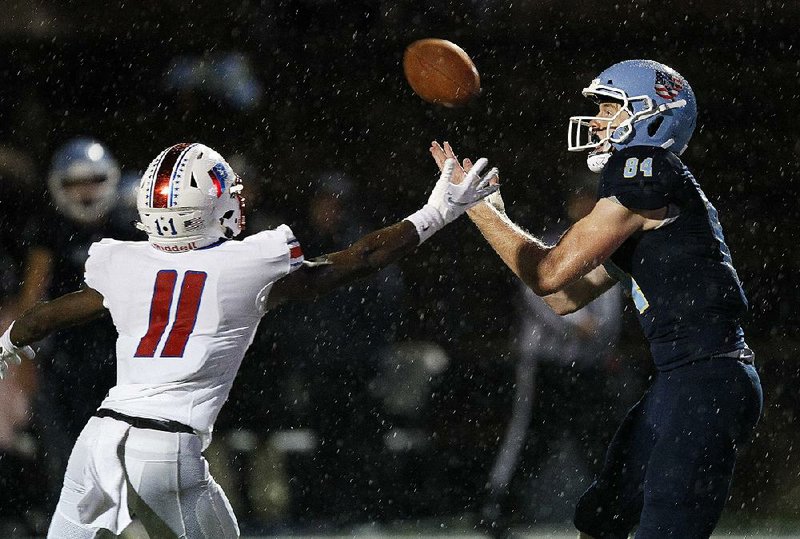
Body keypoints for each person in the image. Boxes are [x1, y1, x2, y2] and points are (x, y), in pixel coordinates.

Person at [0, 142, 497, 538]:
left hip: (100, 436)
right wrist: (437, 212)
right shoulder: (246, 266)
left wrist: (6, 343)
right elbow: (360, 258)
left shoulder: (124, 261)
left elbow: (51, 314)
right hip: (167, 444)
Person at [430, 59, 763, 538]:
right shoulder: (651, 199)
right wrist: (490, 214)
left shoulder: (644, 172)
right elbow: (562, 299)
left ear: (652, 116)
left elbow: (546, 274)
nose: (599, 122)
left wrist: (477, 210)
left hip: (706, 381)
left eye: (611, 108)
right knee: (602, 516)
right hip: (683, 380)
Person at [481, 187, 623, 536]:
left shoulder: (607, 241)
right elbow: (535, 289)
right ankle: (498, 504)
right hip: (547, 361)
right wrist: (577, 325)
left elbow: (611, 299)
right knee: (530, 435)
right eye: (579, 199)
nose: (584, 206)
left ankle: (609, 506)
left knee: (596, 436)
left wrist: (601, 333)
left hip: (588, 363)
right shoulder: (547, 240)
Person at [15, 138, 137, 509]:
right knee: (66, 456)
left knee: (125, 456)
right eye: (74, 183)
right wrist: (24, 356)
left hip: (121, 359)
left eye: (93, 180)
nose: (85, 191)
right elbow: (32, 299)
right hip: (64, 361)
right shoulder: (49, 232)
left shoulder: (129, 227)